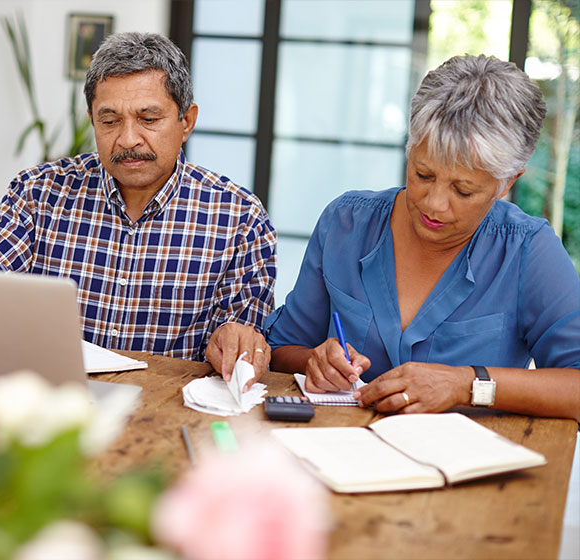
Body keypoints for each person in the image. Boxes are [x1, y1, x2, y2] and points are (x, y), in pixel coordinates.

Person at [209, 54, 580, 420]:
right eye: (423, 174)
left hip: (466, 470)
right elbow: (283, 345)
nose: (434, 204)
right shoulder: (347, 224)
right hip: (337, 455)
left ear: (507, 182)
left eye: (463, 191)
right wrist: (316, 361)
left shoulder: (527, 251)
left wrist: (467, 384)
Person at [0, 32, 277, 366]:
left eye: (149, 119)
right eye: (110, 121)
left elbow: (241, 335)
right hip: (55, 403)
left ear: (186, 121)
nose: (129, 139)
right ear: (92, 120)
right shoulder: (41, 193)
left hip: (168, 409)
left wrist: (236, 342)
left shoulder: (239, 219)